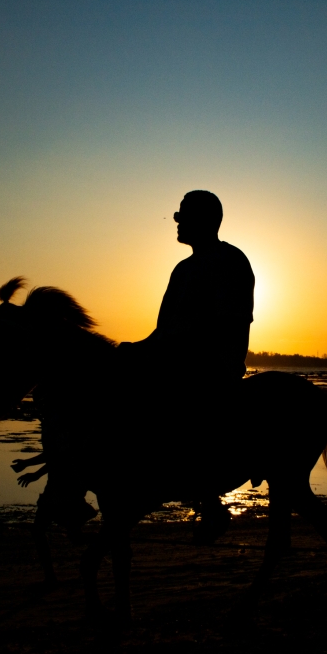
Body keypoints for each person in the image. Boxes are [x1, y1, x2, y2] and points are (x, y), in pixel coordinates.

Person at [119, 190, 255, 542]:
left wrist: (173, 347)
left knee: (175, 400)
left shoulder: (230, 261)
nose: (176, 222)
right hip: (175, 356)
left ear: (206, 221)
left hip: (212, 363)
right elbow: (164, 328)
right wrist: (137, 348)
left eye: (183, 216)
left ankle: (208, 499)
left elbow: (229, 322)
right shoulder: (183, 269)